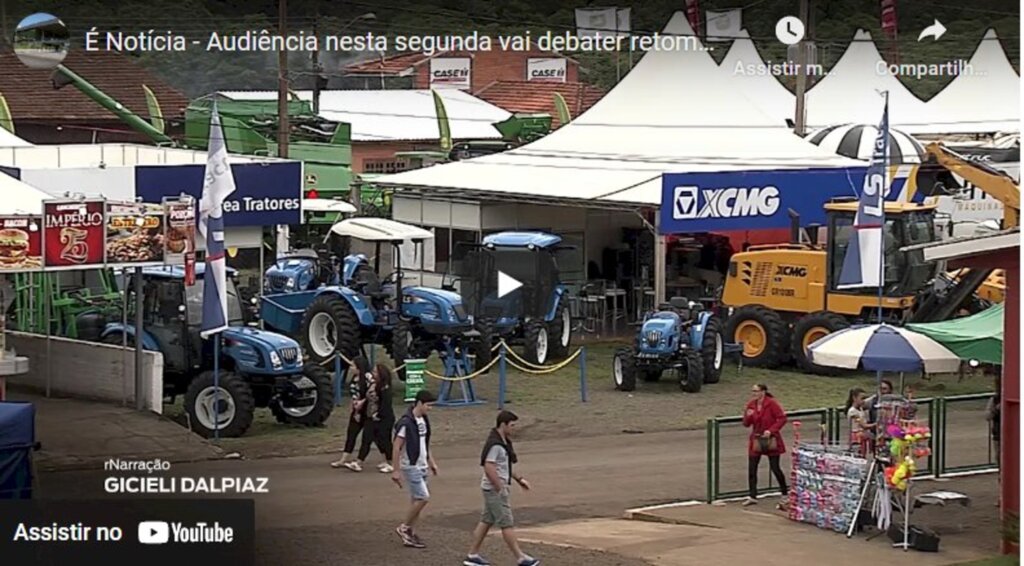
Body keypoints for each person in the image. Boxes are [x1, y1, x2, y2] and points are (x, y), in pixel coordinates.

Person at [463, 411, 540, 566]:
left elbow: (504, 466)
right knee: (506, 522)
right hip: (494, 490)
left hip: (491, 489)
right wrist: (500, 487)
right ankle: (520, 557)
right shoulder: (496, 445)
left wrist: (519, 479)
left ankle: (472, 555)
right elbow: (489, 466)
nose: (514, 428)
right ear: (503, 424)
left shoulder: (502, 442)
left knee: (486, 520)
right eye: (512, 425)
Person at [391, 389, 439, 548]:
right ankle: (404, 528)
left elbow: (425, 442)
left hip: (422, 465)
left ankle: (410, 533)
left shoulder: (423, 420)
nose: (430, 409)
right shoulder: (405, 423)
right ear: (419, 403)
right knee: (423, 498)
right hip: (410, 466)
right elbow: (397, 446)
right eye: (428, 405)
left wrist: (431, 461)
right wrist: (395, 470)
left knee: (416, 501)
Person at [742, 383, 788, 508]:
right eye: (753, 391)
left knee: (775, 467)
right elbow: (746, 423)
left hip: (771, 438)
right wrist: (748, 415)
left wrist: (771, 430)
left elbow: (782, 418)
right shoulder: (751, 404)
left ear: (763, 392)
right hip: (756, 438)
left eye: (756, 391)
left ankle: (784, 493)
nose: (754, 393)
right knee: (752, 468)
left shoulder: (772, 403)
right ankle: (752, 495)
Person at [350, 364, 396, 473]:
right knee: (367, 438)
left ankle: (392, 463)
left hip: (384, 419)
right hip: (370, 416)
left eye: (375, 372)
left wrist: (378, 415)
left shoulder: (385, 388)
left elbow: (386, 404)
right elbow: (368, 397)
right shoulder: (373, 384)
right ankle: (359, 462)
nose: (373, 373)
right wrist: (361, 404)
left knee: (385, 440)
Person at [331, 355, 371, 470]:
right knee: (351, 434)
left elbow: (373, 393)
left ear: (359, 367)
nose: (351, 367)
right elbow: (354, 396)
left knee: (372, 438)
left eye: (353, 365)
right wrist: (354, 410)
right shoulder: (354, 379)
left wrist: (362, 403)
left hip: (368, 411)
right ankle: (343, 459)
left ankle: (388, 459)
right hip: (357, 411)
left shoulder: (368, 377)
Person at [845, 388, 876, 455]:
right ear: (854, 398)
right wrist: (876, 424)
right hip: (856, 437)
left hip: (862, 435)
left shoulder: (860, 408)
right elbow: (864, 425)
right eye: (862, 398)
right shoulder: (853, 411)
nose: (863, 401)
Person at [987, 373, 1001, 506]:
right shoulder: (995, 399)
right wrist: (995, 410)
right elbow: (987, 415)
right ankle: (1001, 495)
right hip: (998, 436)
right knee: (1001, 465)